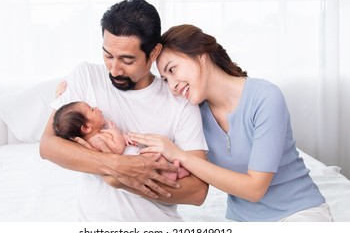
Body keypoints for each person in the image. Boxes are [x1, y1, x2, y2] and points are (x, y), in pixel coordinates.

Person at [129, 24, 334, 222]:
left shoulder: (265, 97)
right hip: (243, 221)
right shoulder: (193, 113)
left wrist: (180, 155)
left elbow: (255, 189)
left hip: (298, 213)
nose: (172, 86)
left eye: (172, 70)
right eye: (165, 79)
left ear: (201, 56)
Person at [39, 0, 208, 221]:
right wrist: (117, 166)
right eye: (108, 55)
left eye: (127, 60)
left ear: (154, 52)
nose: (114, 69)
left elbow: (197, 192)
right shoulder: (86, 77)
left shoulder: (180, 102)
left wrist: (121, 181)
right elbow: (48, 146)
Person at [53, 100, 190, 180]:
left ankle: (170, 170)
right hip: (131, 159)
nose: (97, 108)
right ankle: (171, 172)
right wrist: (116, 132)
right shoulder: (96, 140)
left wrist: (125, 137)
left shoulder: (99, 134)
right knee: (155, 158)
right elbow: (117, 149)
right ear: (87, 128)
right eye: (92, 109)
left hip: (131, 154)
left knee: (154, 156)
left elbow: (118, 143)